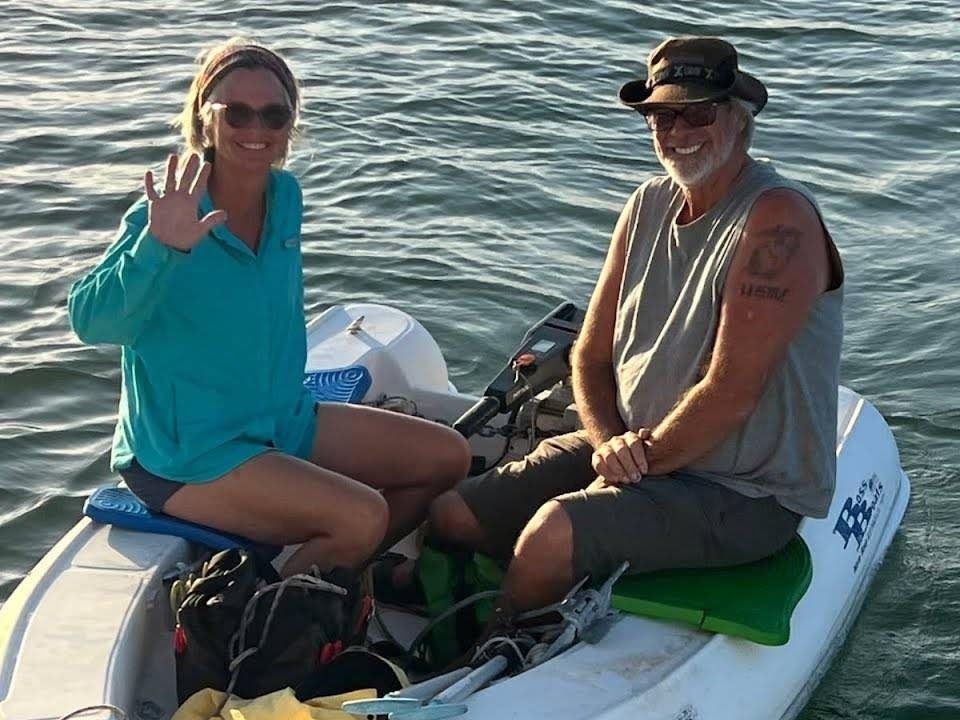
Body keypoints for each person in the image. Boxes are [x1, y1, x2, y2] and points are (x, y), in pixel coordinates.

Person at [428, 36, 844, 612]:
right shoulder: (647, 203)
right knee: (454, 514)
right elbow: (590, 355)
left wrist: (627, 471)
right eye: (660, 115)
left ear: (739, 119)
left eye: (697, 113)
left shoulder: (777, 220)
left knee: (554, 531)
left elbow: (731, 393)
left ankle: (491, 649)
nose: (677, 132)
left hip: (740, 489)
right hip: (637, 446)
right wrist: (608, 446)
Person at [68, 38, 471, 578]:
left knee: (447, 458)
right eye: (236, 112)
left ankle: (335, 584)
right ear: (203, 119)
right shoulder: (165, 216)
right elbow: (90, 321)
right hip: (188, 454)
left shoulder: (285, 196)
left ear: (289, 126)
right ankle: (265, 626)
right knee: (361, 516)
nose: (255, 129)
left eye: (274, 114)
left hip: (282, 420)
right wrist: (159, 250)